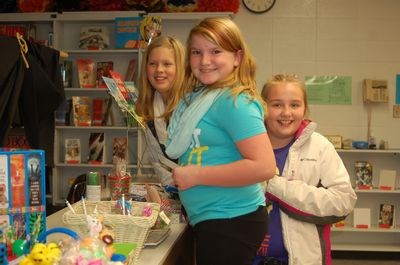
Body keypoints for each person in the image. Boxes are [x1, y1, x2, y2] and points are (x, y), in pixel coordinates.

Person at [165, 17, 277, 265]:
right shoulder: (204, 97)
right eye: (197, 52)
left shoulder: (235, 102)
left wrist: (196, 175)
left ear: (237, 57)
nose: (204, 61)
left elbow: (264, 167)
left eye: (215, 51)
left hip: (232, 220)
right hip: (216, 219)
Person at [253, 74, 357, 265]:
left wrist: (274, 185)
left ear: (305, 108)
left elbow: (343, 202)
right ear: (263, 107)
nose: (286, 113)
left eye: (295, 105)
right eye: (276, 105)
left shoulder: (319, 147)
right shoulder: (245, 144)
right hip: (247, 257)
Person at [135, 36, 186, 188]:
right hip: (175, 191)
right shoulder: (149, 106)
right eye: (152, 64)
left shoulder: (191, 105)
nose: (159, 70)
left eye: (167, 64)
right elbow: (158, 160)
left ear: (180, 67)